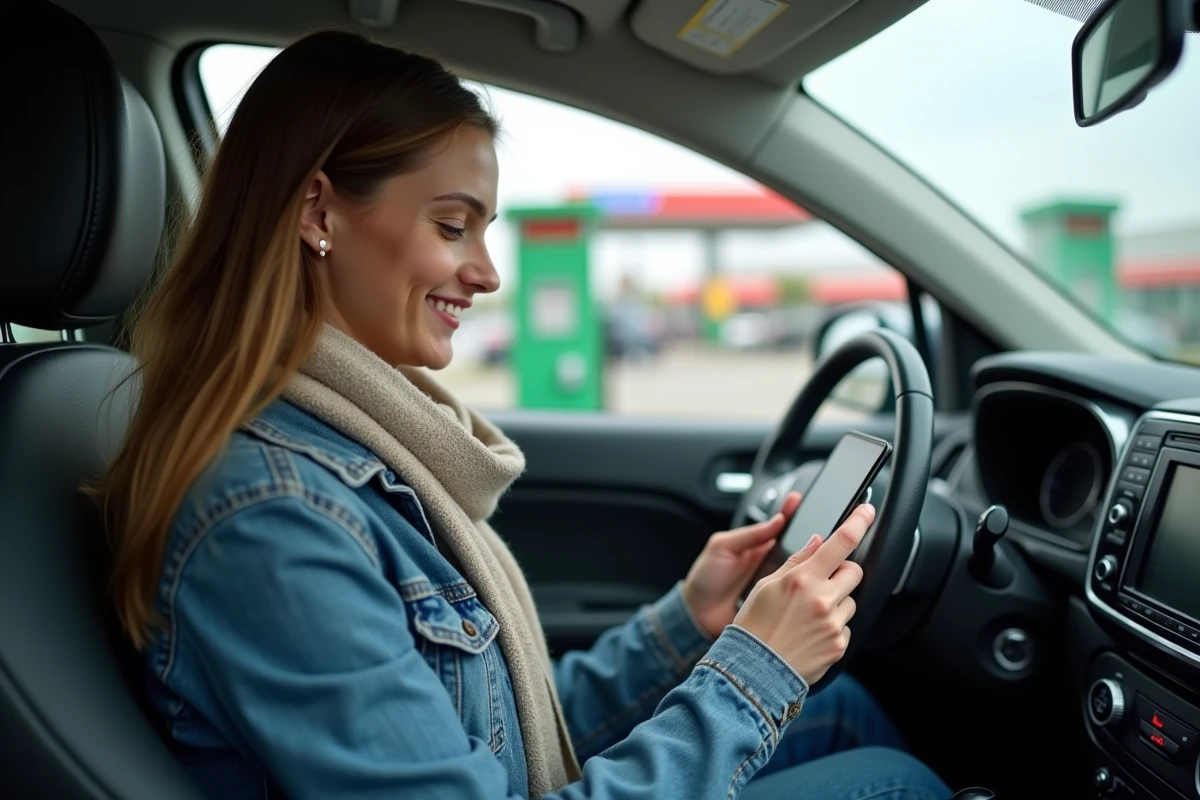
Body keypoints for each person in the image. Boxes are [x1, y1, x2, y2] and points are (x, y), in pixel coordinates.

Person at [95, 29, 951, 800]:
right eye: (453, 225)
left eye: (484, 230)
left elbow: (504, 740)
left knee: (843, 712)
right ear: (319, 213)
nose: (487, 272)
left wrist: (690, 623)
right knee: (895, 783)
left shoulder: (347, 447)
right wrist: (757, 669)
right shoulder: (273, 513)